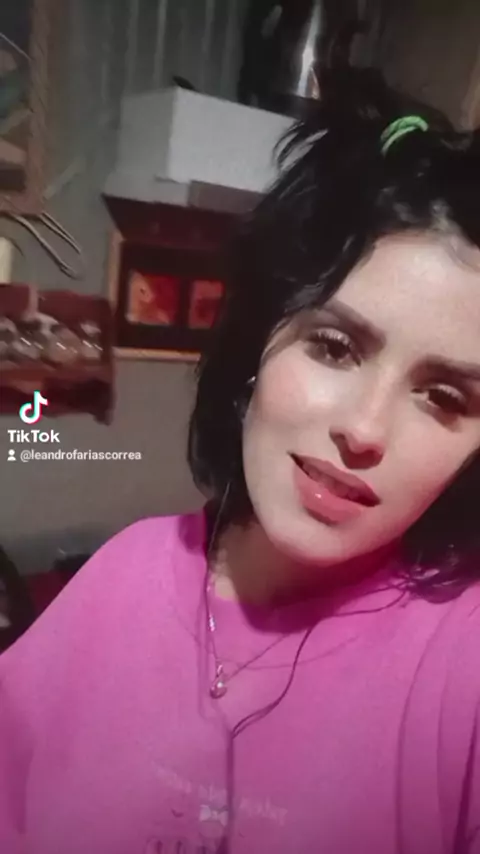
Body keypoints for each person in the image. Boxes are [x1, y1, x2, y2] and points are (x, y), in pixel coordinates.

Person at [1, 73, 480, 854]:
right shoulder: (124, 572)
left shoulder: (463, 664)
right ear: (257, 343)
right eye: (334, 347)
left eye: (444, 397)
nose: (364, 429)